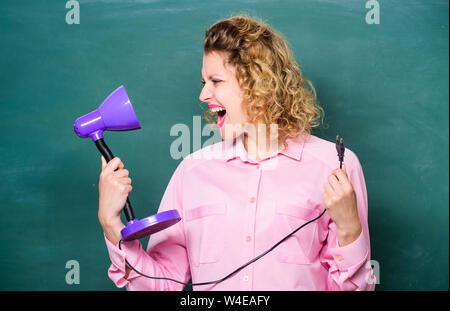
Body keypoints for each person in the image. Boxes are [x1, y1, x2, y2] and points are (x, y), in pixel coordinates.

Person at [98, 15, 375, 291]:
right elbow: (160, 285)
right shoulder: (191, 172)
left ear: (258, 83)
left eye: (216, 81)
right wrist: (111, 223)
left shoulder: (335, 167)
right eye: (204, 82)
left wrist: (350, 228)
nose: (203, 94)